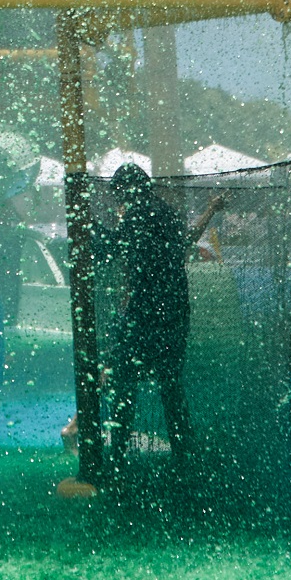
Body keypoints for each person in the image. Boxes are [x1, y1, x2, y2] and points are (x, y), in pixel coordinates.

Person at [104, 165, 219, 467]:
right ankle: (184, 452)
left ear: (127, 190)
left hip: (146, 312)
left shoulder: (137, 215)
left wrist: (91, 230)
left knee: (124, 381)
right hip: (174, 311)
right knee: (171, 385)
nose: (118, 200)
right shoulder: (166, 212)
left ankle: (118, 452)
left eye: (119, 193)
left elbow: (114, 248)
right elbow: (185, 242)